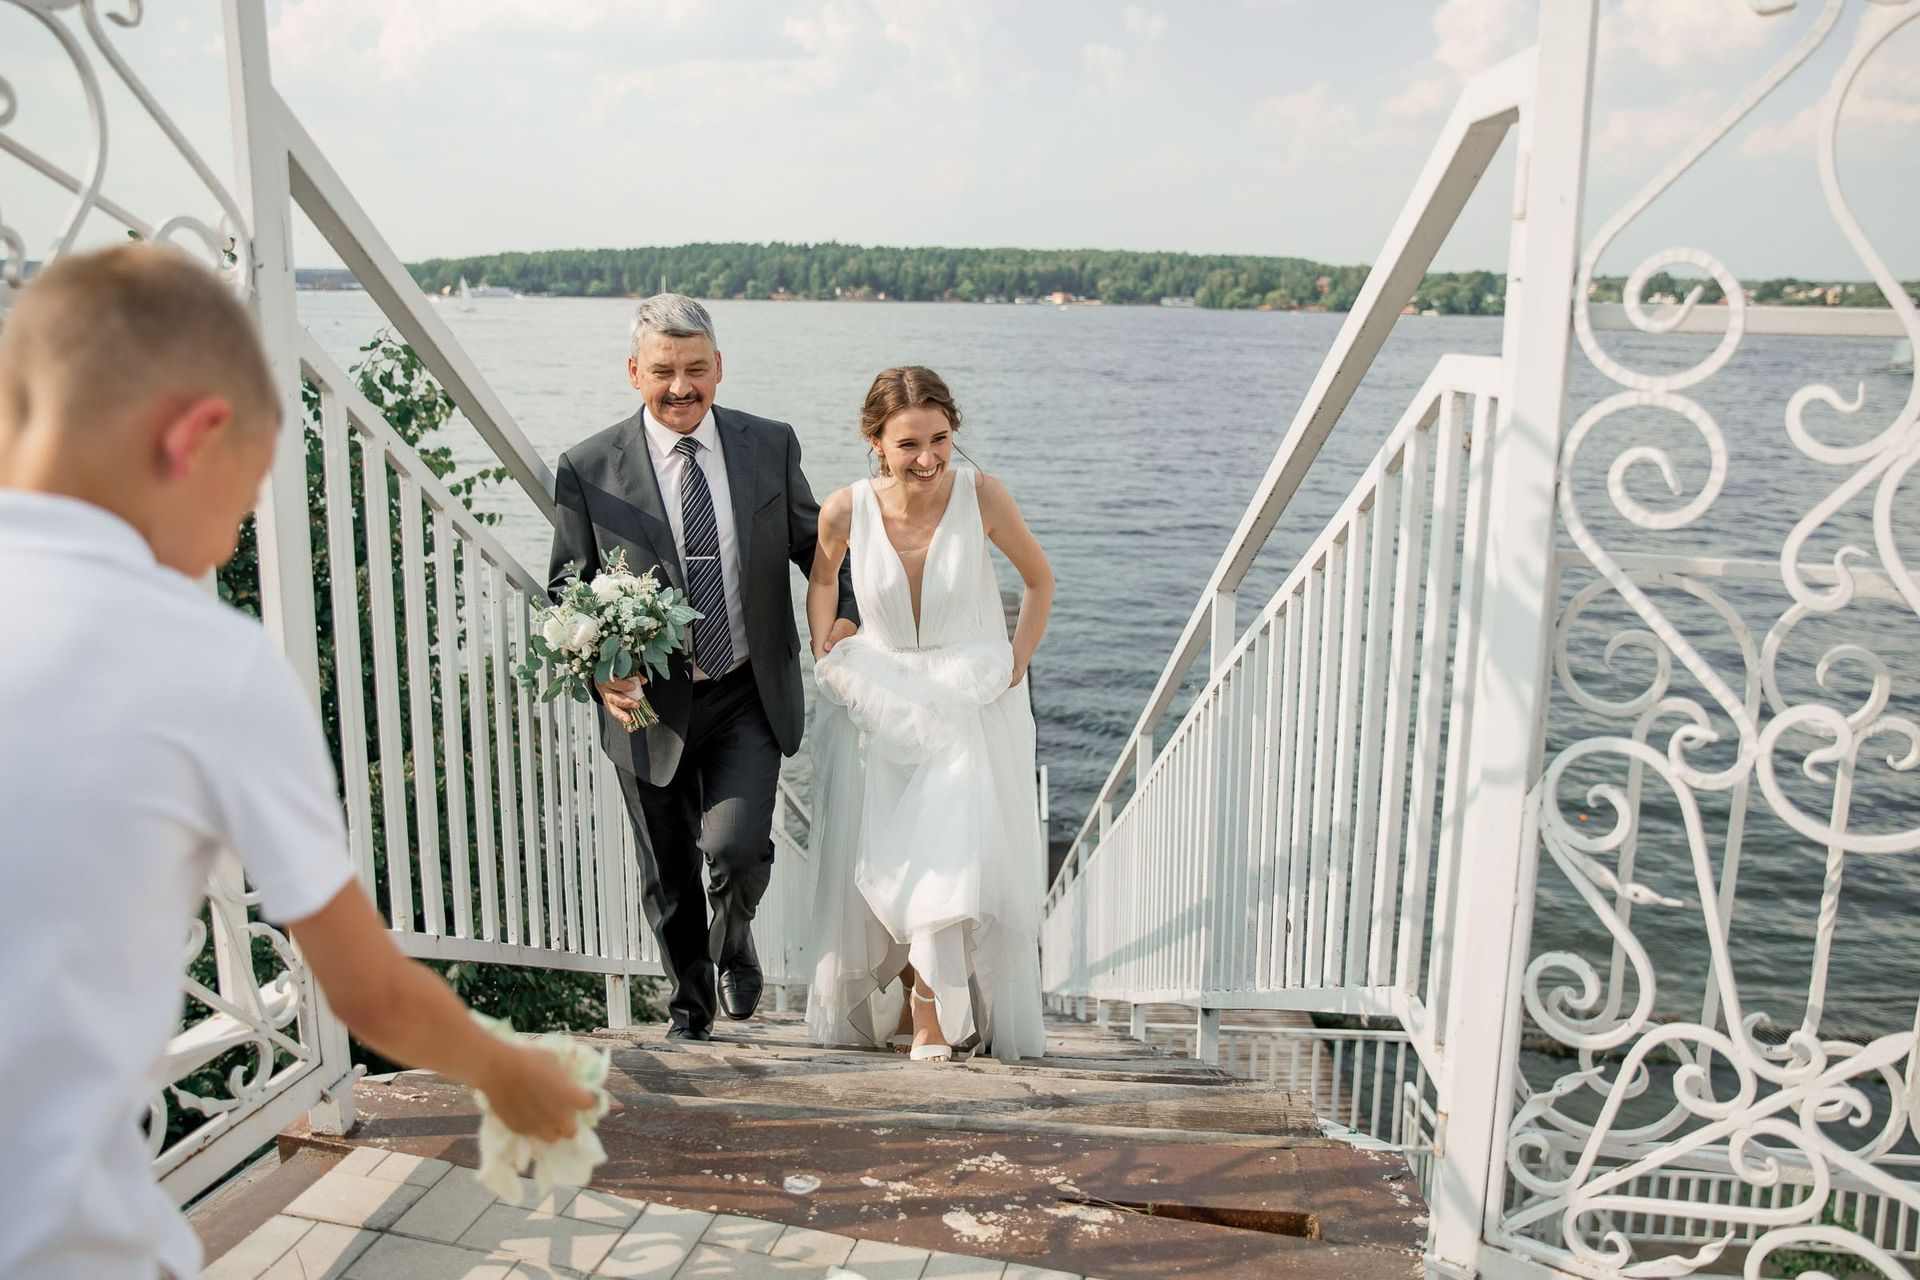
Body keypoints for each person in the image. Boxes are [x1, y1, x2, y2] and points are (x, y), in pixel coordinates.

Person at [0, 245, 595, 1280]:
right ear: (196, 436)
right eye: (242, 502)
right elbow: (373, 995)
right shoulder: (203, 654)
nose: (229, 540)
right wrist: (510, 1071)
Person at [547, 295, 856, 1043]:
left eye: (695, 369)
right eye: (663, 371)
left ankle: (735, 939)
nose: (681, 387)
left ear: (718, 368)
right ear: (634, 373)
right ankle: (691, 1011)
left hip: (748, 686)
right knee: (671, 876)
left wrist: (845, 611)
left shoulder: (768, 444)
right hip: (645, 705)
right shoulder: (588, 467)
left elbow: (814, 545)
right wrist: (596, 672)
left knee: (737, 848)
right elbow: (567, 587)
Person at [804, 367, 1054, 1062]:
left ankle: (929, 1017)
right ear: (875, 442)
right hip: (881, 694)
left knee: (947, 856)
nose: (927, 459)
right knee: (896, 860)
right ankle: (920, 1001)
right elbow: (823, 578)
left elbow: (1039, 581)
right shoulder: (845, 509)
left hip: (965, 692)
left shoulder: (984, 495)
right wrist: (824, 642)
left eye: (940, 439)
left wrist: (1015, 663)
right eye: (908, 443)